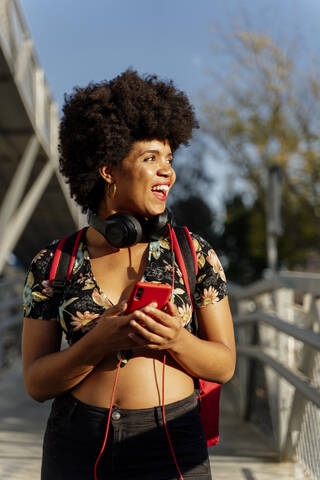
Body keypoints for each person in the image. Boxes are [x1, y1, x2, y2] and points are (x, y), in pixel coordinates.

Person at [22, 69, 236, 480]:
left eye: (169, 159)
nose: (167, 172)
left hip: (171, 439)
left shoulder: (194, 254)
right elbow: (35, 382)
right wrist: (94, 344)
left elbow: (224, 365)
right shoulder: (54, 262)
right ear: (108, 170)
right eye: (150, 158)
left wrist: (176, 339)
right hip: (77, 444)